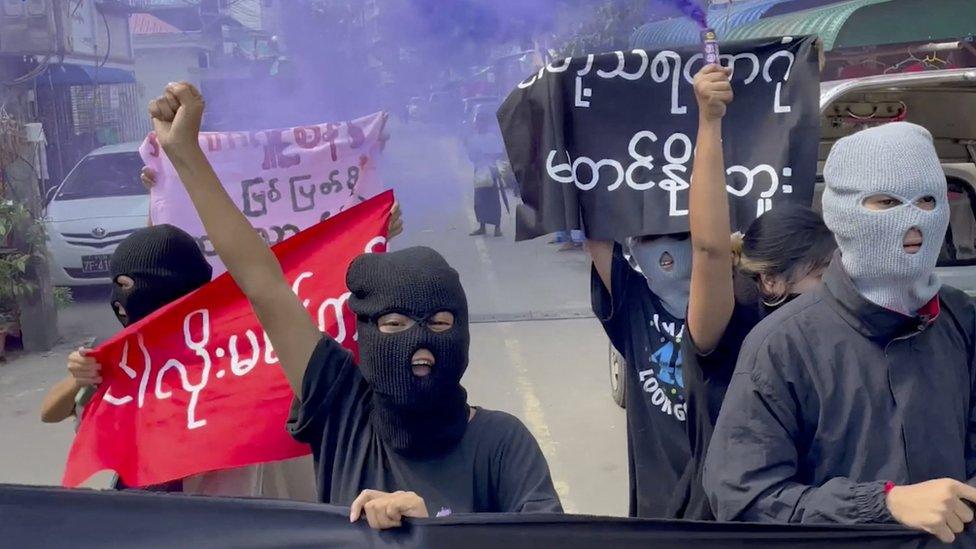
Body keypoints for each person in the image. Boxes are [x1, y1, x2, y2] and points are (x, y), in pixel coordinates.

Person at [148, 82, 562, 529]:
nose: (420, 344)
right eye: (395, 323)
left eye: (439, 323)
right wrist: (184, 154)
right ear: (366, 331)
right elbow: (261, 282)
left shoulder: (503, 443)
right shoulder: (341, 410)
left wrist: (438, 534)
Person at [702, 121, 976, 544]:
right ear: (841, 213)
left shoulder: (961, 318)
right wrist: (882, 505)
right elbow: (742, 496)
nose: (913, 219)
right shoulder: (783, 345)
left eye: (927, 199)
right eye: (886, 201)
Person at [675, 64, 837, 519]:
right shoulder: (728, 331)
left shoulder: (837, 337)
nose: (835, 291)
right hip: (727, 523)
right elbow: (709, 249)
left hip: (808, 517)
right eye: (821, 275)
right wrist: (709, 121)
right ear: (770, 281)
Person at [588, 229, 693, 518]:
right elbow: (598, 234)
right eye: (649, 239)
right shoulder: (632, 302)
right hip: (657, 508)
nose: (666, 253)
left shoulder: (734, 305)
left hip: (721, 505)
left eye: (680, 237)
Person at [465, 109, 506, 237]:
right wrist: (475, 156)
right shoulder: (473, 138)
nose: (479, 124)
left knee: (493, 200)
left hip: (491, 171)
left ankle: (497, 228)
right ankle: (482, 226)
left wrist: (487, 155)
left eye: (481, 122)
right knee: (479, 200)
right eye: (477, 122)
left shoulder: (492, 138)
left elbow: (499, 153)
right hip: (479, 171)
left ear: (486, 124)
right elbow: (471, 156)